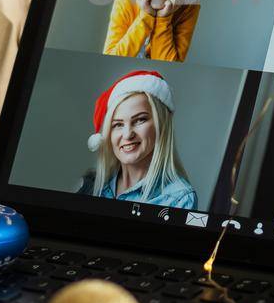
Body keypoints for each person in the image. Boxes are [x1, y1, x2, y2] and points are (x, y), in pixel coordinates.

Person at [76, 70, 197, 209]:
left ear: (161, 124)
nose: (127, 135)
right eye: (118, 124)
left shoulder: (180, 199)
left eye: (140, 120)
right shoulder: (90, 185)